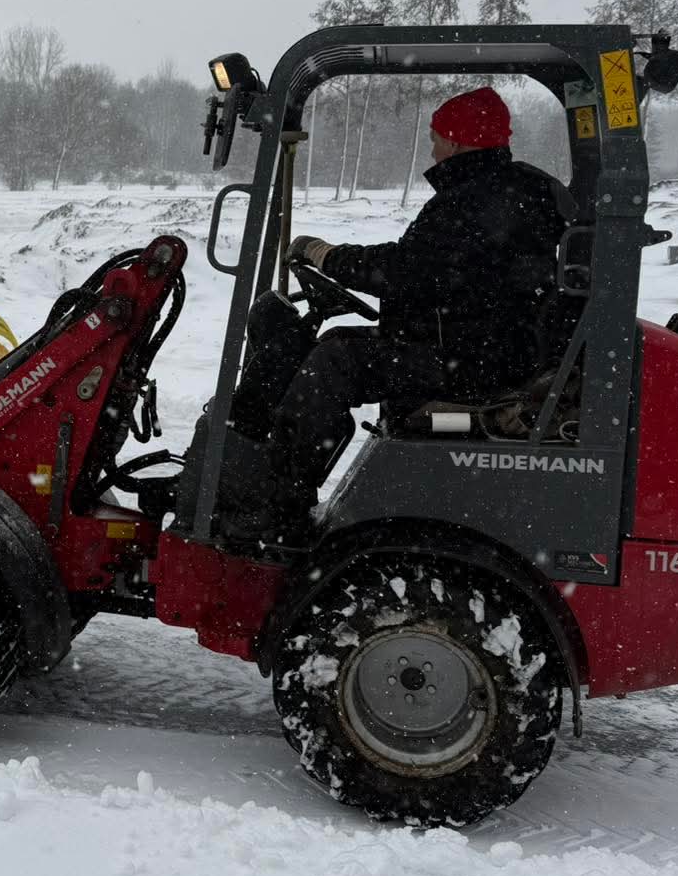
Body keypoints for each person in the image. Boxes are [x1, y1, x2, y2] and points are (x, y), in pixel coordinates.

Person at [239, 84, 568, 546]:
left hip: (473, 363)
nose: (432, 150)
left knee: (334, 362)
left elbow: (402, 271)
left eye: (436, 139)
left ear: (456, 140)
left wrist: (327, 255)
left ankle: (278, 506)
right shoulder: (509, 190)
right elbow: (435, 274)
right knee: (339, 346)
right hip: (490, 350)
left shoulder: (474, 201)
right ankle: (281, 488)